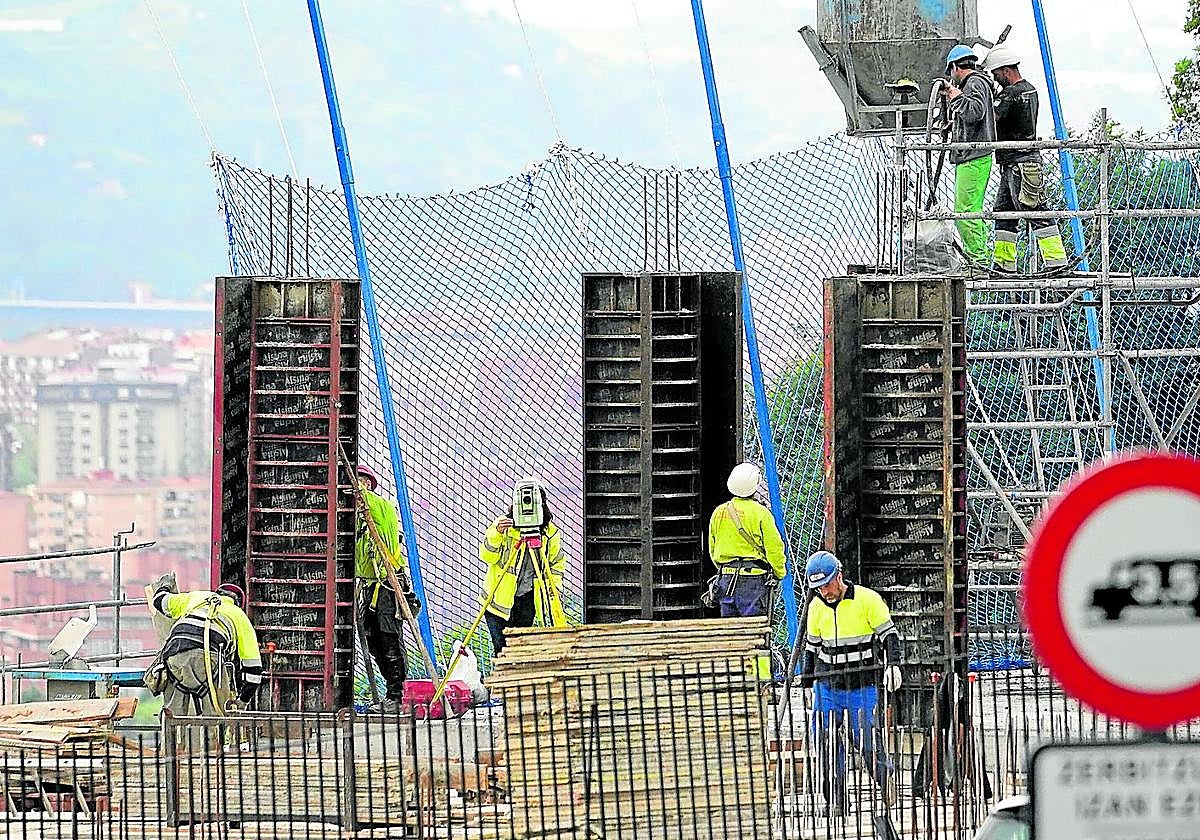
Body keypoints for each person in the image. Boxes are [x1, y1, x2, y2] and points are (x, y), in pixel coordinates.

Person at [800, 551, 903, 813]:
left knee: (866, 739)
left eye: (827, 584)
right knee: (825, 741)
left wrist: (893, 664)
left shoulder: (867, 600)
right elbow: (811, 648)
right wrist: (807, 681)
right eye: (818, 588)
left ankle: (884, 779)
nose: (824, 591)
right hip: (828, 687)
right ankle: (836, 799)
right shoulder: (815, 608)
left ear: (839, 576)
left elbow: (889, 635)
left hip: (862, 686)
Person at [982, 44, 1070, 274]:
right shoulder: (1030, 90)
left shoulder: (1010, 94)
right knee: (1004, 213)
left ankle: (1056, 264)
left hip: (1020, 164)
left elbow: (992, 117)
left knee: (1036, 211)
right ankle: (1003, 265)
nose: (995, 78)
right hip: (1015, 163)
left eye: (996, 73)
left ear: (1005, 70)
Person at [354, 463, 418, 709]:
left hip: (388, 584)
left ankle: (397, 694)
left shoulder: (382, 509)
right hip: (370, 586)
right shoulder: (358, 522)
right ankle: (392, 690)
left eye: (362, 482)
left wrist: (361, 495)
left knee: (390, 637)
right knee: (373, 640)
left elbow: (373, 505)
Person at [149, 582, 262, 716]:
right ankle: (215, 733)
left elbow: (158, 601)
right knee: (217, 716)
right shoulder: (239, 615)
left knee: (173, 716)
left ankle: (170, 732)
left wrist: (165, 586)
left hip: (175, 653)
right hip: (209, 659)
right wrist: (242, 701)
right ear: (238, 603)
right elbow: (254, 669)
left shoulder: (197, 597)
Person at [480, 478, 564, 655]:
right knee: (501, 649)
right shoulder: (503, 527)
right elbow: (487, 556)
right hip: (497, 601)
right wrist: (497, 533)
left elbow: (556, 564)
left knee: (520, 648)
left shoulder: (549, 534)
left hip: (527, 599)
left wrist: (553, 590)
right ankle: (502, 681)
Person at [707, 462, 787, 617]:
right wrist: (779, 573)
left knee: (731, 634)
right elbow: (774, 548)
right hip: (753, 581)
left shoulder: (719, 512)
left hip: (726, 579)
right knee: (754, 632)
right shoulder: (761, 514)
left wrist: (725, 568)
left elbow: (712, 548)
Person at [944, 44, 997, 269]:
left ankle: (979, 262)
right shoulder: (976, 83)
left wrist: (956, 97)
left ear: (955, 66)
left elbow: (975, 112)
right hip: (970, 157)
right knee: (965, 211)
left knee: (966, 212)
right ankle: (978, 260)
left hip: (973, 156)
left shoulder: (974, 83)